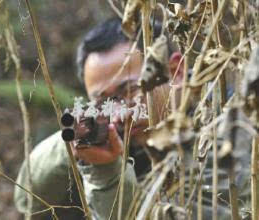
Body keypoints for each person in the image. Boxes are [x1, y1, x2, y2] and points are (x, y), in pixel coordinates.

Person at [14, 17, 166, 220]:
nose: (120, 113)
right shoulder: (109, 139)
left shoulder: (216, 125)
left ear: (175, 71)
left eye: (131, 90)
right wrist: (73, 146)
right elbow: (26, 200)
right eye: (104, 101)